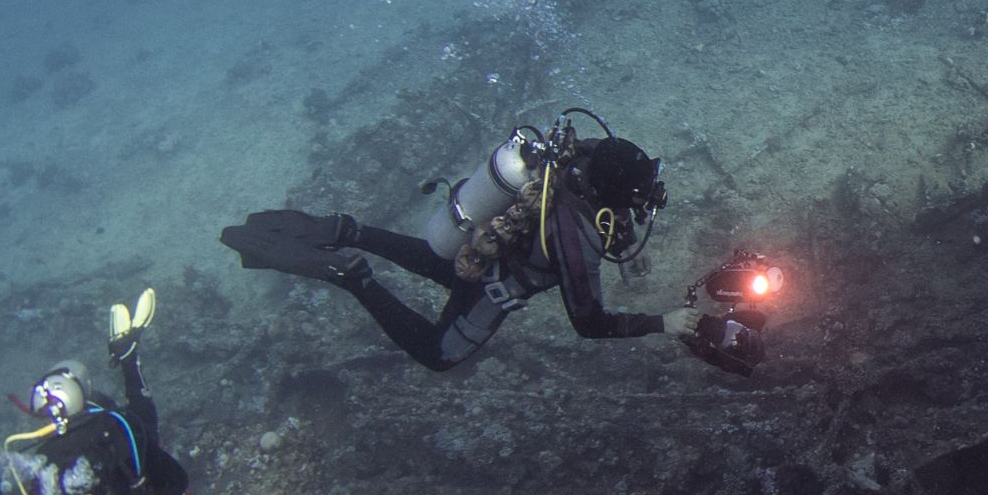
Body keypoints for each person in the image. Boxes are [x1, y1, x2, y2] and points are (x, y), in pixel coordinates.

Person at [220, 114, 700, 371]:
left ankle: (349, 230)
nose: (647, 202)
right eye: (639, 196)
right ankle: (355, 276)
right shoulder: (577, 240)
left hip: (482, 239)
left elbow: (612, 195)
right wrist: (665, 322)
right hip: (495, 284)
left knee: (441, 260)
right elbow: (590, 323)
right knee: (439, 355)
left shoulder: (581, 157)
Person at [0, 288, 189, 495]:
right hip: (123, 483)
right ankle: (127, 355)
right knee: (139, 421)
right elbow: (176, 478)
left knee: (141, 424)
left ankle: (127, 355)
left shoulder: (45, 462)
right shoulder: (110, 431)